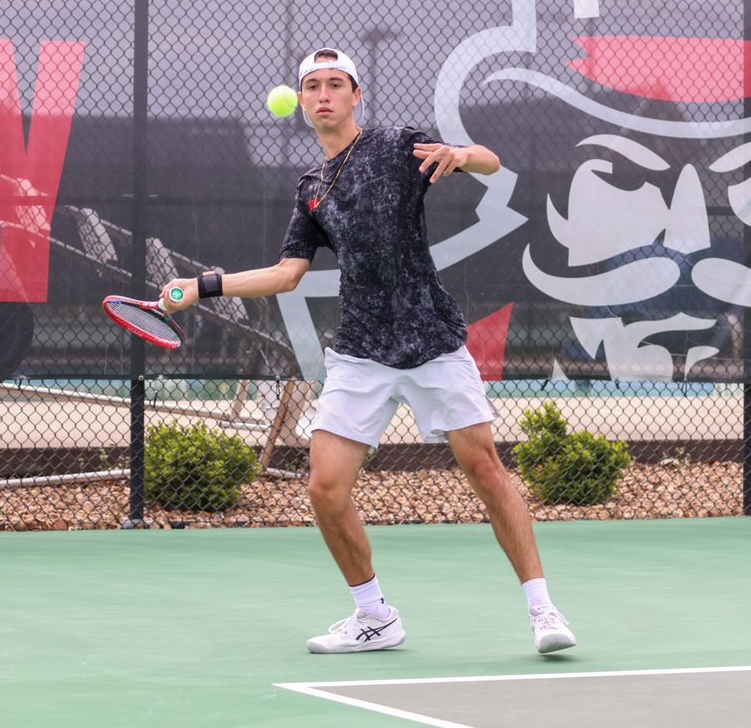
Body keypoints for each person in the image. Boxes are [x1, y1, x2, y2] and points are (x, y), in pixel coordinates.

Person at [160, 47, 575, 655]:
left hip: (431, 339)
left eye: (335, 85)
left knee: (485, 469)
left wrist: (462, 156)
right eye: (312, 87)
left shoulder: (397, 146)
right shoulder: (312, 190)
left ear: (356, 96)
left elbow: (490, 160)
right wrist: (202, 286)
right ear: (301, 103)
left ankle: (543, 609)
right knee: (325, 488)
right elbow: (286, 273)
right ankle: (374, 616)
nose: (323, 95)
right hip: (360, 352)